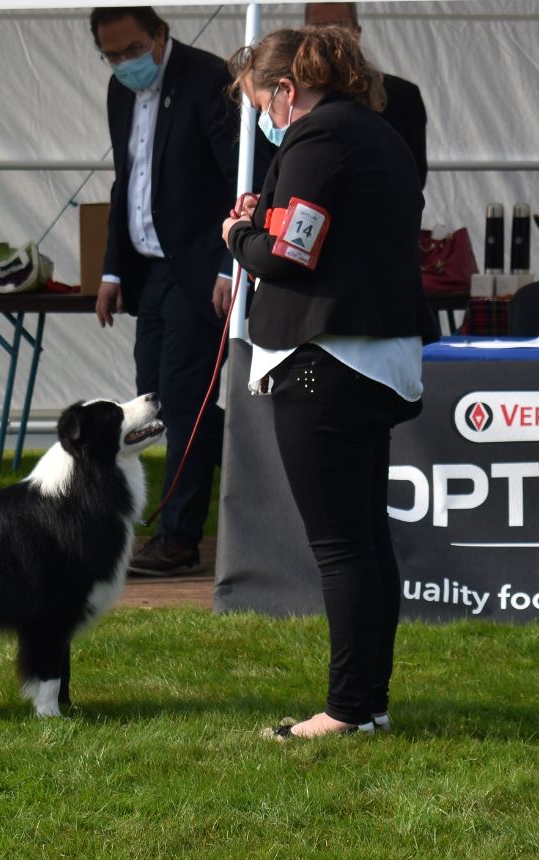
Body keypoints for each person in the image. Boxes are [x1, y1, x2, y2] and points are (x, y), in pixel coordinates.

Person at [221, 26, 439, 738]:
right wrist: (270, 227)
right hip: (374, 356)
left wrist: (238, 239)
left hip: (328, 358)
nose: (265, 118)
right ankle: (367, 704)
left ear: (287, 90)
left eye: (263, 103)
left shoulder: (317, 140)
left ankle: (346, 711)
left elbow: (290, 253)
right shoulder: (375, 131)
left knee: (344, 547)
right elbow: (316, 232)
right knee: (366, 541)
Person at [89, 7, 270, 575]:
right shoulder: (120, 93)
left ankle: (178, 538)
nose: (125, 63)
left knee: (185, 403)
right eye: (112, 56)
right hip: (150, 269)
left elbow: (245, 177)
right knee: (157, 402)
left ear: (162, 36)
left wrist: (227, 261)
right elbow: (127, 181)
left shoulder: (210, 82)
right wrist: (112, 271)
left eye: (133, 49)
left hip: (201, 269)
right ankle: (261, 465)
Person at [305, 2, 428, 188]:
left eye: (339, 26)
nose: (327, 36)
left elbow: (414, 177)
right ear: (303, 33)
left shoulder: (402, 96)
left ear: (357, 31)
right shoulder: (288, 94)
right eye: (318, 27)